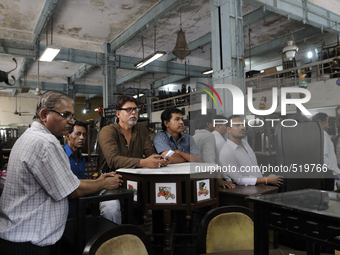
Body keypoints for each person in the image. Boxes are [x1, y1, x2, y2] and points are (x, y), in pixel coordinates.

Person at [0, 91, 121, 255]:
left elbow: (70, 182)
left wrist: (99, 180)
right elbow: (73, 190)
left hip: (19, 234)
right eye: (66, 115)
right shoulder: (46, 143)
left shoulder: (29, 137)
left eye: (72, 116)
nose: (71, 122)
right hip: (29, 241)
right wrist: (104, 183)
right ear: (44, 114)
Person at [98, 95, 169, 224]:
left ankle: (152, 239)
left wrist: (158, 159)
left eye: (136, 109)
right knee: (111, 209)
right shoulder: (107, 131)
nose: (134, 112)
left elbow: (149, 152)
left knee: (163, 196)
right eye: (129, 109)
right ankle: (112, 241)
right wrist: (143, 162)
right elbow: (113, 160)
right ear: (118, 113)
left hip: (135, 182)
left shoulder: (141, 129)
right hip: (111, 181)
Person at [219, 115, 283, 186]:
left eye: (243, 124)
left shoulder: (245, 143)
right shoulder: (227, 152)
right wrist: (266, 179)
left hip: (261, 187)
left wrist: (266, 179)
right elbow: (239, 180)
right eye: (237, 125)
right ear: (228, 129)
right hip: (248, 192)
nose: (242, 127)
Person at [193, 114, 234, 189]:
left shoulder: (194, 137)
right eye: (213, 122)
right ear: (208, 124)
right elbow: (209, 161)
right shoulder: (209, 136)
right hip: (210, 179)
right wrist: (220, 180)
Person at [63, 120, 87, 218]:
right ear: (68, 136)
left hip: (80, 210)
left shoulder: (82, 159)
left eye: (84, 134)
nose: (82, 138)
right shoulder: (61, 156)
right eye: (78, 134)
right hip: (65, 213)